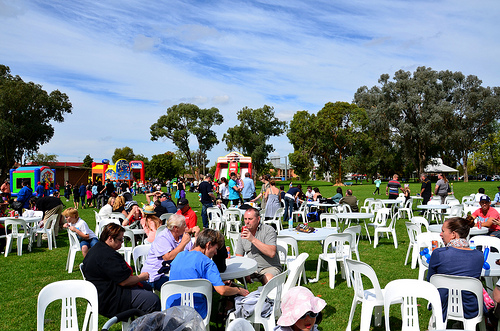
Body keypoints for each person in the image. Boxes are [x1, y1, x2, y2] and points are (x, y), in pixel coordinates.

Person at [82, 223, 160, 318]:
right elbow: (124, 281)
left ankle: (140, 323)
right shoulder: (108, 256)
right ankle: (147, 326)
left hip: (101, 293)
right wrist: (142, 277)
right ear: (110, 238)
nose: (122, 242)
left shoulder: (98, 248)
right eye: (120, 239)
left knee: (147, 287)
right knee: (152, 300)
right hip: (109, 299)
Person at [167, 229, 249, 318]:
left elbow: (189, 279)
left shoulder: (179, 255)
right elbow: (222, 290)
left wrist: (213, 285)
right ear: (208, 244)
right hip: (195, 312)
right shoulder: (207, 263)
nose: (216, 253)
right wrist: (238, 290)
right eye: (216, 249)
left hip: (172, 309)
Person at [427, 216, 484, 321]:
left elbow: (430, 280)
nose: (440, 234)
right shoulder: (479, 256)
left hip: (442, 305)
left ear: (453, 234)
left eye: (443, 231)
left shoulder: (439, 253)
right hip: (471, 307)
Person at [141, 214, 194, 291]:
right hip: (156, 274)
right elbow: (167, 257)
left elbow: (192, 252)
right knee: (178, 289)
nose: (186, 227)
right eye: (184, 225)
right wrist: (183, 243)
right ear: (176, 228)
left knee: (193, 281)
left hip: (176, 270)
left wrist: (197, 235)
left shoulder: (182, 236)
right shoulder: (163, 237)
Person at [236, 207, 281, 284]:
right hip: (251, 268)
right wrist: (243, 271)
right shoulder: (242, 234)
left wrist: (252, 239)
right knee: (229, 276)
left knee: (268, 279)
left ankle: (267, 296)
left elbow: (272, 253)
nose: (247, 222)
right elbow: (239, 256)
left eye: (250, 219)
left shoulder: (268, 230)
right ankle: (237, 294)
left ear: (258, 219)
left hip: (269, 267)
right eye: (245, 219)